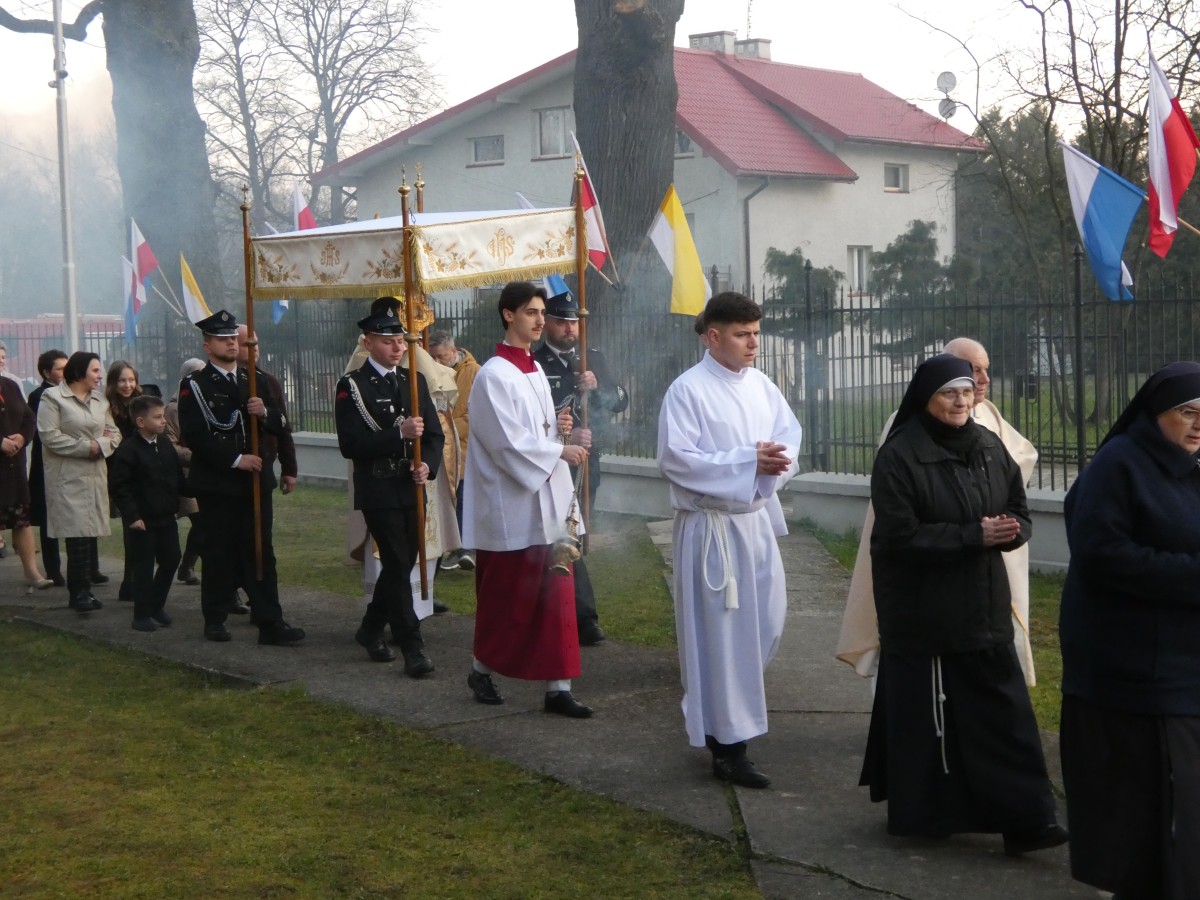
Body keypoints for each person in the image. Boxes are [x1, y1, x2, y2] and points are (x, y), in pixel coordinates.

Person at [859, 353, 1066, 855]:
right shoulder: (899, 456)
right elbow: (900, 537)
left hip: (985, 607)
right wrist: (973, 535)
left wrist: (1013, 531)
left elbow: (1018, 509)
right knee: (934, 723)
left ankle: (1028, 820)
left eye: (967, 392)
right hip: (927, 615)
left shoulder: (990, 446)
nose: (960, 401)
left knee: (1006, 719)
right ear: (926, 398)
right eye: (949, 393)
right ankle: (932, 814)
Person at [1059, 361, 1200, 897]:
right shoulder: (1119, 464)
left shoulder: (1192, 464)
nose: (1199, 424)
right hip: (1135, 670)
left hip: (1184, 663)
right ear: (1155, 412)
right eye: (1187, 412)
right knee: (1154, 802)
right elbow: (1102, 554)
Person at [657, 292, 802, 788]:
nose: (753, 343)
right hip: (712, 529)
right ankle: (727, 744)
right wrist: (747, 461)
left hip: (755, 520)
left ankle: (726, 713)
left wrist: (773, 466)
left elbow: (790, 437)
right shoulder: (687, 390)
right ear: (712, 337)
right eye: (742, 334)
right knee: (722, 638)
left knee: (767, 624)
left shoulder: (762, 385)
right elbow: (676, 459)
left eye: (756, 333)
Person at [837, 337, 1040, 687]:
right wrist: (974, 531)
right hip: (930, 598)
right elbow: (902, 527)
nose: (979, 384)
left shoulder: (988, 426)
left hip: (988, 586)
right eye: (972, 372)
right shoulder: (904, 441)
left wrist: (1006, 526)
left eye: (978, 378)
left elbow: (1017, 474)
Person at [462, 281, 594, 718]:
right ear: (508, 315)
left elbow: (534, 431)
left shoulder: (533, 368)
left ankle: (559, 686)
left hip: (548, 500)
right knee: (509, 599)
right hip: (512, 506)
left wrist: (559, 427)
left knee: (557, 595)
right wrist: (558, 451)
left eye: (541, 313)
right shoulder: (493, 375)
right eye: (531, 313)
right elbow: (505, 442)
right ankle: (481, 668)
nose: (540, 321)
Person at [178, 309, 304, 645]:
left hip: (255, 483)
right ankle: (215, 617)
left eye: (234, 337)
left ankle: (269, 621)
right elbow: (195, 435)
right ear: (208, 346)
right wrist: (235, 460)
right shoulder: (196, 385)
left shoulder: (256, 381)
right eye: (223, 339)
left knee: (261, 551)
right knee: (219, 550)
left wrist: (265, 413)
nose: (232, 343)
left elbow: (281, 424)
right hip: (219, 483)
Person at [335, 301, 444, 675]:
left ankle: (370, 628)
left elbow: (434, 435)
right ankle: (412, 644)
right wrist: (398, 434)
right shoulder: (352, 386)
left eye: (400, 340)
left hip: (410, 485)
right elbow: (351, 444)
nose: (397, 347)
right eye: (387, 341)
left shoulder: (414, 381)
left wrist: (427, 464)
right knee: (397, 560)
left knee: (403, 561)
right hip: (378, 487)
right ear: (368, 343)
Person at [534, 290, 629, 647]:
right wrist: (565, 435)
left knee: (574, 534)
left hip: (588, 461)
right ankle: (581, 616)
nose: (569, 328)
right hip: (552, 462)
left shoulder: (593, 358)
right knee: (557, 536)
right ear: (547, 323)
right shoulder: (535, 363)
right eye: (561, 321)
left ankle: (574, 614)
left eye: (573, 322)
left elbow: (620, 401)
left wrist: (598, 386)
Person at [37, 351, 121, 613]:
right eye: (95, 370)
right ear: (79, 371)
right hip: (67, 476)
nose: (100, 375)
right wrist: (88, 447)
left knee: (88, 533)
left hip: (94, 476)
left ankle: (83, 591)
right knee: (76, 535)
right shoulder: (53, 398)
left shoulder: (100, 400)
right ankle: (80, 592)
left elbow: (114, 433)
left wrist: (101, 445)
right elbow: (50, 436)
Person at [108, 394, 187, 632]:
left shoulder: (164, 444)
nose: (164, 421)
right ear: (141, 422)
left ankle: (156, 605)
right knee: (143, 566)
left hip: (166, 515)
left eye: (163, 416)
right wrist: (132, 516)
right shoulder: (128, 450)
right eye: (158, 417)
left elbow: (176, 476)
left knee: (171, 559)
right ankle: (141, 614)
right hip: (142, 519)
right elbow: (120, 487)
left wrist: (193, 490)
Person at [0, 353, 53, 593]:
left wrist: (22, 437)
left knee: (21, 521)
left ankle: (33, 574)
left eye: (3, 356)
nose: (1, 360)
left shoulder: (10, 385)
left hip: (13, 468)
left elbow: (28, 417)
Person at [428, 330, 480, 571]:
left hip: (465, 448)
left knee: (462, 500)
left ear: (453, 351)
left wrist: (445, 428)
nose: (436, 361)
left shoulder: (474, 372)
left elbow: (475, 415)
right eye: (432, 357)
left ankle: (465, 549)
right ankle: (451, 548)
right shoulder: (431, 372)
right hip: (441, 449)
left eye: (440, 356)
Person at [236, 326, 298, 496]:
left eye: (256, 343)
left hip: (264, 465)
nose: (254, 348)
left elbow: (283, 428)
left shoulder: (268, 381)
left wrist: (289, 468)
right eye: (247, 344)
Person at [165, 358, 209, 589]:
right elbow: (170, 446)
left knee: (205, 522)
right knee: (201, 521)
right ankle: (185, 565)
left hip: (205, 473)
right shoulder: (174, 409)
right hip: (185, 475)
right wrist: (200, 455)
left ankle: (187, 565)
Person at [27, 349, 68, 587]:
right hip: (46, 463)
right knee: (47, 518)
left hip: (69, 461)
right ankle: (53, 569)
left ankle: (89, 567)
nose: (65, 372)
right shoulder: (38, 395)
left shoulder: (73, 392)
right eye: (59, 368)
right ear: (46, 372)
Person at [105, 360, 143, 603]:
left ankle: (135, 581)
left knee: (142, 530)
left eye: (131, 380)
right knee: (132, 527)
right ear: (113, 382)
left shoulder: (142, 403)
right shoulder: (108, 407)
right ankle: (130, 583)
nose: (127, 385)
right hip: (121, 473)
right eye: (122, 380)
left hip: (143, 472)